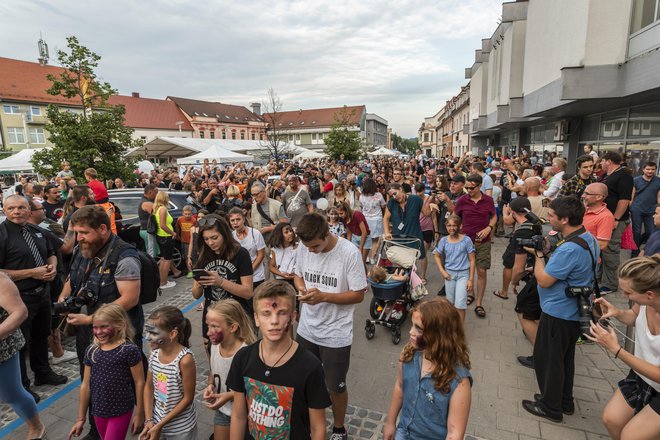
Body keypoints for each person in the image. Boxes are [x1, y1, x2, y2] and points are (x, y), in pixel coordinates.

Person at [60, 205, 143, 440]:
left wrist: (90, 319)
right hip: (89, 332)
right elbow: (72, 277)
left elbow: (130, 297)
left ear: (103, 228)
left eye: (84, 232)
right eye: (76, 232)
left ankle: (140, 419)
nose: (79, 238)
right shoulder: (82, 248)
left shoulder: (124, 256)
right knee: (92, 379)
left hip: (119, 334)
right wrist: (63, 298)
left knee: (122, 381)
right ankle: (96, 428)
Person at [521, 196, 599, 423]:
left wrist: (537, 256)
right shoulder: (587, 238)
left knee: (549, 360)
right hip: (572, 312)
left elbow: (544, 280)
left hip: (558, 312)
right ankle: (563, 401)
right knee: (564, 359)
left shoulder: (569, 249)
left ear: (565, 219)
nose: (549, 219)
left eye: (552, 216)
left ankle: (550, 406)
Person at [293, 213, 367, 440]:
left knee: (335, 386)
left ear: (327, 234)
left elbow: (358, 295)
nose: (311, 251)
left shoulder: (349, 253)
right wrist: (303, 289)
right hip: (307, 329)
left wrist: (324, 296)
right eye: (307, 247)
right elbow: (297, 275)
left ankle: (338, 427)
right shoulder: (303, 248)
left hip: (336, 334)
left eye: (315, 246)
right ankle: (309, 421)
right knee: (304, 380)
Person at [226, 280, 331, 440]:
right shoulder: (243, 358)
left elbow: (318, 427)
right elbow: (239, 416)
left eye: (282, 313)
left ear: (293, 316)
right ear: (256, 318)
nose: (274, 321)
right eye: (266, 313)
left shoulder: (310, 366)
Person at [583, 256, 660, 439]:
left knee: (631, 435)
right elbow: (633, 317)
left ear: (649, 294)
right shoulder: (643, 302)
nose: (623, 296)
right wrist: (617, 313)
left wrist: (616, 349)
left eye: (627, 293)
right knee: (612, 419)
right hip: (642, 377)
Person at [0, 195, 63, 403]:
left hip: (42, 293)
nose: (16, 211)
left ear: (30, 210)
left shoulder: (37, 230)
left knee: (41, 335)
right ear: (4, 210)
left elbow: (52, 252)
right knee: (21, 344)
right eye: (11, 208)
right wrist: (31, 273)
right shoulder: (2, 234)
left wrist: (52, 265)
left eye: (20, 207)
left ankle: (43, 373)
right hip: (18, 299)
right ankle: (23, 387)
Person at [383, 298, 472, 439]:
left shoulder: (459, 381)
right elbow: (400, 387)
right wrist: (390, 422)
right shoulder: (408, 354)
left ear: (440, 336)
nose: (411, 332)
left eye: (419, 329)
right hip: (403, 432)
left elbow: (454, 433)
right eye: (412, 325)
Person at [68, 304, 145, 440]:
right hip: (98, 411)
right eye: (95, 327)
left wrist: (140, 413)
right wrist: (80, 418)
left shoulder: (128, 350)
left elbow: (139, 382)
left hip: (121, 410)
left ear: (120, 325)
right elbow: (86, 385)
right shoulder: (92, 351)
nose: (98, 332)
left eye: (103, 327)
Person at [191, 215, 254, 339]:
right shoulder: (203, 255)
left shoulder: (241, 254)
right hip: (212, 315)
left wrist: (220, 281)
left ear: (225, 235)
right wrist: (199, 283)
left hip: (235, 315)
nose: (210, 243)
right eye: (206, 239)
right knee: (212, 349)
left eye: (214, 238)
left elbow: (248, 292)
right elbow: (196, 295)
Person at [0, 273, 46, 440]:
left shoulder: (0, 280)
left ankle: (36, 426)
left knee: (11, 394)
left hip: (3, 349)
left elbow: (20, 312)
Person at [203, 299, 256, 440]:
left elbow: (253, 388)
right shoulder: (214, 345)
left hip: (246, 413)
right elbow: (213, 370)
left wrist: (229, 395)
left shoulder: (246, 353)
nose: (208, 332)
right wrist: (210, 385)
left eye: (215, 326)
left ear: (233, 327)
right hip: (223, 411)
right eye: (208, 325)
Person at [141, 306, 197, 440]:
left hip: (180, 429)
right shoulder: (153, 354)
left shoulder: (185, 360)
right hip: (156, 422)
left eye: (153, 333)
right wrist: (149, 420)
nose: (147, 337)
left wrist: (160, 425)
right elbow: (149, 387)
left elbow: (188, 399)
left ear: (172, 334)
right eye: (147, 332)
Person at [453, 174, 497, 319]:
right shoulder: (462, 200)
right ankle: (470, 293)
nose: (468, 190)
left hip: (482, 242)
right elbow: (455, 216)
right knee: (466, 270)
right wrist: (456, 231)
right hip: (465, 242)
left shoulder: (488, 200)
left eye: (471, 188)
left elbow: (494, 216)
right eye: (467, 187)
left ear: (479, 186)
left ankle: (479, 303)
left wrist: (489, 228)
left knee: (482, 271)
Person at [599, 152, 634, 294]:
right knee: (603, 250)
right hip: (605, 219)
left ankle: (610, 284)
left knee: (611, 250)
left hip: (615, 220)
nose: (600, 164)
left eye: (602, 161)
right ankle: (602, 278)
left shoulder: (624, 175)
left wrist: (616, 219)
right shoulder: (609, 175)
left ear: (608, 161)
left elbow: (624, 199)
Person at [433, 215, 475, 323]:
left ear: (460, 226)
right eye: (449, 225)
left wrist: (471, 279)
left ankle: (460, 329)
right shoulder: (443, 241)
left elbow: (472, 260)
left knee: (460, 303)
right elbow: (436, 255)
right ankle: (452, 326)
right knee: (450, 302)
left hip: (463, 275)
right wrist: (442, 271)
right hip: (449, 275)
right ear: (446, 226)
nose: (451, 228)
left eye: (454, 225)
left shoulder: (466, 240)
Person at [229, 207, 267, 291]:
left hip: (256, 276)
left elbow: (261, 255)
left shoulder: (255, 233)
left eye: (238, 219)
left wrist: (249, 270)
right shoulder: (231, 236)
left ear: (243, 219)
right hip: (239, 277)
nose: (235, 223)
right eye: (232, 220)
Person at [153, 191, 182, 288]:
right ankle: (164, 282)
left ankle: (162, 281)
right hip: (165, 236)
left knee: (163, 259)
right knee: (167, 260)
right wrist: (173, 233)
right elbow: (162, 225)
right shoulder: (163, 209)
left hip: (161, 236)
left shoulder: (157, 208)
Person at [631, 162, 660, 257]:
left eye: (652, 169)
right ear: (643, 169)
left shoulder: (658, 180)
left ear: (655, 170)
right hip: (637, 209)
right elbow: (632, 195)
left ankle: (644, 247)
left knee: (650, 231)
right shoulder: (636, 180)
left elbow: (658, 196)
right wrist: (629, 208)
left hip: (652, 210)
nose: (650, 171)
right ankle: (635, 252)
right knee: (636, 232)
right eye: (648, 169)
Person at [582, 183, 616, 251]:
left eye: (587, 193)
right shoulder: (583, 209)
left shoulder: (606, 217)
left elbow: (602, 244)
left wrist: (575, 248)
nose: (583, 196)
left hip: (585, 258)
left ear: (599, 197)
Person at [359, 178, 386, 264]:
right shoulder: (378, 195)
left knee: (366, 238)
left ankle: (365, 256)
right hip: (377, 219)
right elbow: (383, 205)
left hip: (365, 219)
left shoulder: (361, 196)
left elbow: (361, 207)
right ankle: (372, 257)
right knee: (376, 240)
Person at [138, 184, 160, 258]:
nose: (157, 195)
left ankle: (173, 269)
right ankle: (151, 269)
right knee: (151, 254)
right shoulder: (147, 203)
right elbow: (158, 216)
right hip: (148, 232)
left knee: (162, 253)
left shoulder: (146, 201)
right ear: (150, 192)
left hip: (149, 231)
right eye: (156, 192)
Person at [175, 205, 197, 278]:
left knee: (193, 256)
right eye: (186, 214)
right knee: (186, 257)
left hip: (193, 242)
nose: (187, 215)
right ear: (183, 213)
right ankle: (190, 271)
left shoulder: (194, 220)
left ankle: (195, 270)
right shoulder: (180, 219)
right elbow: (177, 227)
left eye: (189, 214)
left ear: (191, 213)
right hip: (184, 241)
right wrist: (177, 235)